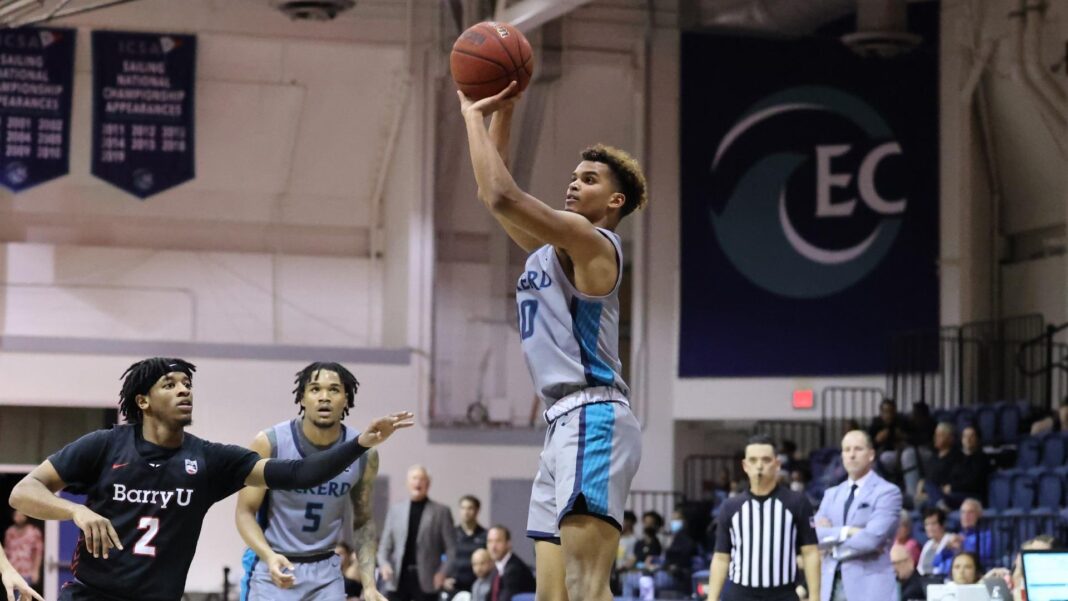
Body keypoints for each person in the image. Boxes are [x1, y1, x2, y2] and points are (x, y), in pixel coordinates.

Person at [7, 357, 413, 601]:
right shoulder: (104, 446)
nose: (184, 390)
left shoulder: (209, 459)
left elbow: (298, 474)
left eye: (187, 384)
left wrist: (360, 442)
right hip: (91, 595)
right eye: (170, 385)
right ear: (143, 401)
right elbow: (23, 492)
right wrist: (75, 512)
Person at [458, 82, 646, 601]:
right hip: (561, 422)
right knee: (552, 595)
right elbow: (491, 196)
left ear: (615, 201)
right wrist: (503, 113)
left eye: (588, 179)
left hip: (594, 415)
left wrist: (471, 115)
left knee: (587, 587)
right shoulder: (552, 248)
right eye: (573, 176)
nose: (573, 184)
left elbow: (504, 195)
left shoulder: (594, 243)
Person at [236, 362, 385, 601]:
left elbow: (363, 520)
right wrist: (268, 556)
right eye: (315, 389)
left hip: (326, 570)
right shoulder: (270, 443)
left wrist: (369, 585)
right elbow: (245, 512)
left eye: (334, 390)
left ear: (346, 399)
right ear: (302, 398)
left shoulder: (364, 452)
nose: (324, 397)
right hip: (274, 564)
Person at [707, 435, 820, 601]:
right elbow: (721, 557)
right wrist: (711, 598)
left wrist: (815, 597)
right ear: (745, 466)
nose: (759, 466)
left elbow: (810, 552)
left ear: (777, 464)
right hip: (739, 595)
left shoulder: (797, 502)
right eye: (753, 460)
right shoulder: (730, 507)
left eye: (766, 460)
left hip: (783, 594)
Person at [815, 430, 902, 601]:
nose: (851, 455)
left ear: (871, 455)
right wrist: (847, 531)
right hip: (830, 586)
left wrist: (832, 547)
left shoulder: (887, 492)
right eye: (847, 450)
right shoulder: (831, 494)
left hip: (869, 590)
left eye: (858, 449)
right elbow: (815, 535)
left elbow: (871, 540)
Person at [378, 465, 456, 601]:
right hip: (398, 577)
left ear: (428, 484)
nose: (418, 482)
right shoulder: (395, 510)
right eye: (414, 478)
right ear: (407, 483)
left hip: (428, 578)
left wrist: (442, 573)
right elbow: (384, 546)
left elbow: (451, 549)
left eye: (422, 479)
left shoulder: (441, 512)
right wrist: (384, 564)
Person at [446, 495, 488, 596]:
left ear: (477, 510)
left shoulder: (485, 535)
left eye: (470, 508)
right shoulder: (451, 534)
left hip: (477, 586)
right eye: (463, 508)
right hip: (454, 587)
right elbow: (441, 558)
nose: (466, 512)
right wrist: (443, 579)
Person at [486, 526, 535, 601]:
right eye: (490, 541)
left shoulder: (514, 569)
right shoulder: (497, 568)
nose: (493, 547)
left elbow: (506, 598)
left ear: (508, 543)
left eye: (498, 541)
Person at [3, 510, 42, 593]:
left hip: (27, 571)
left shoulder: (33, 532)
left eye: (21, 515)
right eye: (16, 515)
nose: (18, 517)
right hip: (12, 570)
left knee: (23, 595)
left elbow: (38, 553)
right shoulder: (10, 532)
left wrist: (36, 571)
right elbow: (6, 552)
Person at [948, 499, 992, 565]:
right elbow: (936, 562)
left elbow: (981, 558)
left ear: (979, 515)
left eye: (971, 512)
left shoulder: (986, 535)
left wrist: (961, 547)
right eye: (963, 512)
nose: (966, 516)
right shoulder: (958, 535)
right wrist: (948, 547)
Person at [916, 508, 954, 577]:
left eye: (933, 524)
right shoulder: (928, 544)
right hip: (924, 579)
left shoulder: (951, 540)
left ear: (943, 525)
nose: (929, 528)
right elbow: (920, 567)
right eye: (927, 524)